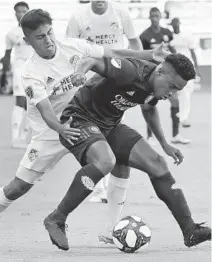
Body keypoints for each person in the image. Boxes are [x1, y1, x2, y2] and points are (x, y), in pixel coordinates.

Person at [0, 8, 167, 243]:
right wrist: (60, 129)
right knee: (18, 188)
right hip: (52, 130)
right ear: (27, 41)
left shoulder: (73, 46)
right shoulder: (30, 72)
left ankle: (111, 230)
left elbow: (114, 52)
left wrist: (150, 53)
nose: (48, 40)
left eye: (49, 33)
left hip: (87, 118)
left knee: (118, 160)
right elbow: (46, 111)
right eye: (40, 37)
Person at [43, 54, 211, 251]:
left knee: (157, 163)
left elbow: (148, 109)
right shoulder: (130, 71)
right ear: (160, 71)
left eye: (177, 90)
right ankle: (56, 218)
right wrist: (79, 72)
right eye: (172, 86)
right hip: (79, 119)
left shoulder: (155, 86)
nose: (171, 94)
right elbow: (92, 60)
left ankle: (189, 230)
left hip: (110, 126)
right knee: (106, 161)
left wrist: (165, 144)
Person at [66, 0, 142, 204]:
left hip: (116, 81)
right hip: (87, 81)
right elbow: (69, 49)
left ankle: (106, 187)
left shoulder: (121, 12)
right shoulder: (78, 17)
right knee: (92, 132)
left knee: (108, 128)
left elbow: (135, 43)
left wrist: (137, 67)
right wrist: (76, 74)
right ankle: (98, 186)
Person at [140, 7, 190, 144]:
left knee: (175, 101)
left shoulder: (167, 33)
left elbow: (172, 49)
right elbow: (143, 55)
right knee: (149, 104)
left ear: (160, 16)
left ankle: (176, 135)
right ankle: (150, 137)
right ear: (149, 17)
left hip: (170, 75)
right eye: (152, 16)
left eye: (157, 15)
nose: (155, 18)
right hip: (155, 76)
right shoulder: (144, 35)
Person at [1, 2, 32, 148]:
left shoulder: (35, 30)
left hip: (35, 69)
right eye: (18, 12)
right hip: (20, 68)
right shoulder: (12, 33)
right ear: (15, 14)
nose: (21, 14)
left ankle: (25, 137)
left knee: (31, 102)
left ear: (28, 12)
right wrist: (5, 74)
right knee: (20, 100)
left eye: (24, 11)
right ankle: (15, 138)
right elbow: (7, 55)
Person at [170, 17, 201, 127]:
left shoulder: (186, 35)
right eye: (173, 23)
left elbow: (192, 52)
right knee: (176, 94)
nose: (175, 25)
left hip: (187, 67)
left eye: (177, 23)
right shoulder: (169, 37)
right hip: (174, 68)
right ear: (171, 25)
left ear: (179, 23)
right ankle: (177, 115)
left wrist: (196, 68)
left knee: (186, 94)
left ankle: (184, 118)